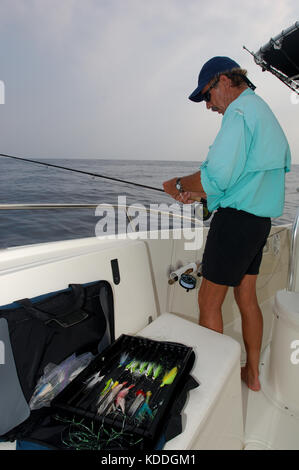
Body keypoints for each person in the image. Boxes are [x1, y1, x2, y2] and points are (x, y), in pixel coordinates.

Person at [163, 56, 291, 391]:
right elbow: (243, 178)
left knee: (208, 302)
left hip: (235, 224)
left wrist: (178, 185)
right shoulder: (261, 111)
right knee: (246, 297)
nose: (207, 106)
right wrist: (203, 195)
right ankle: (251, 373)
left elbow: (216, 175)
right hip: (258, 222)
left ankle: (210, 386)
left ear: (223, 81)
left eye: (206, 96)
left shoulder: (238, 112)